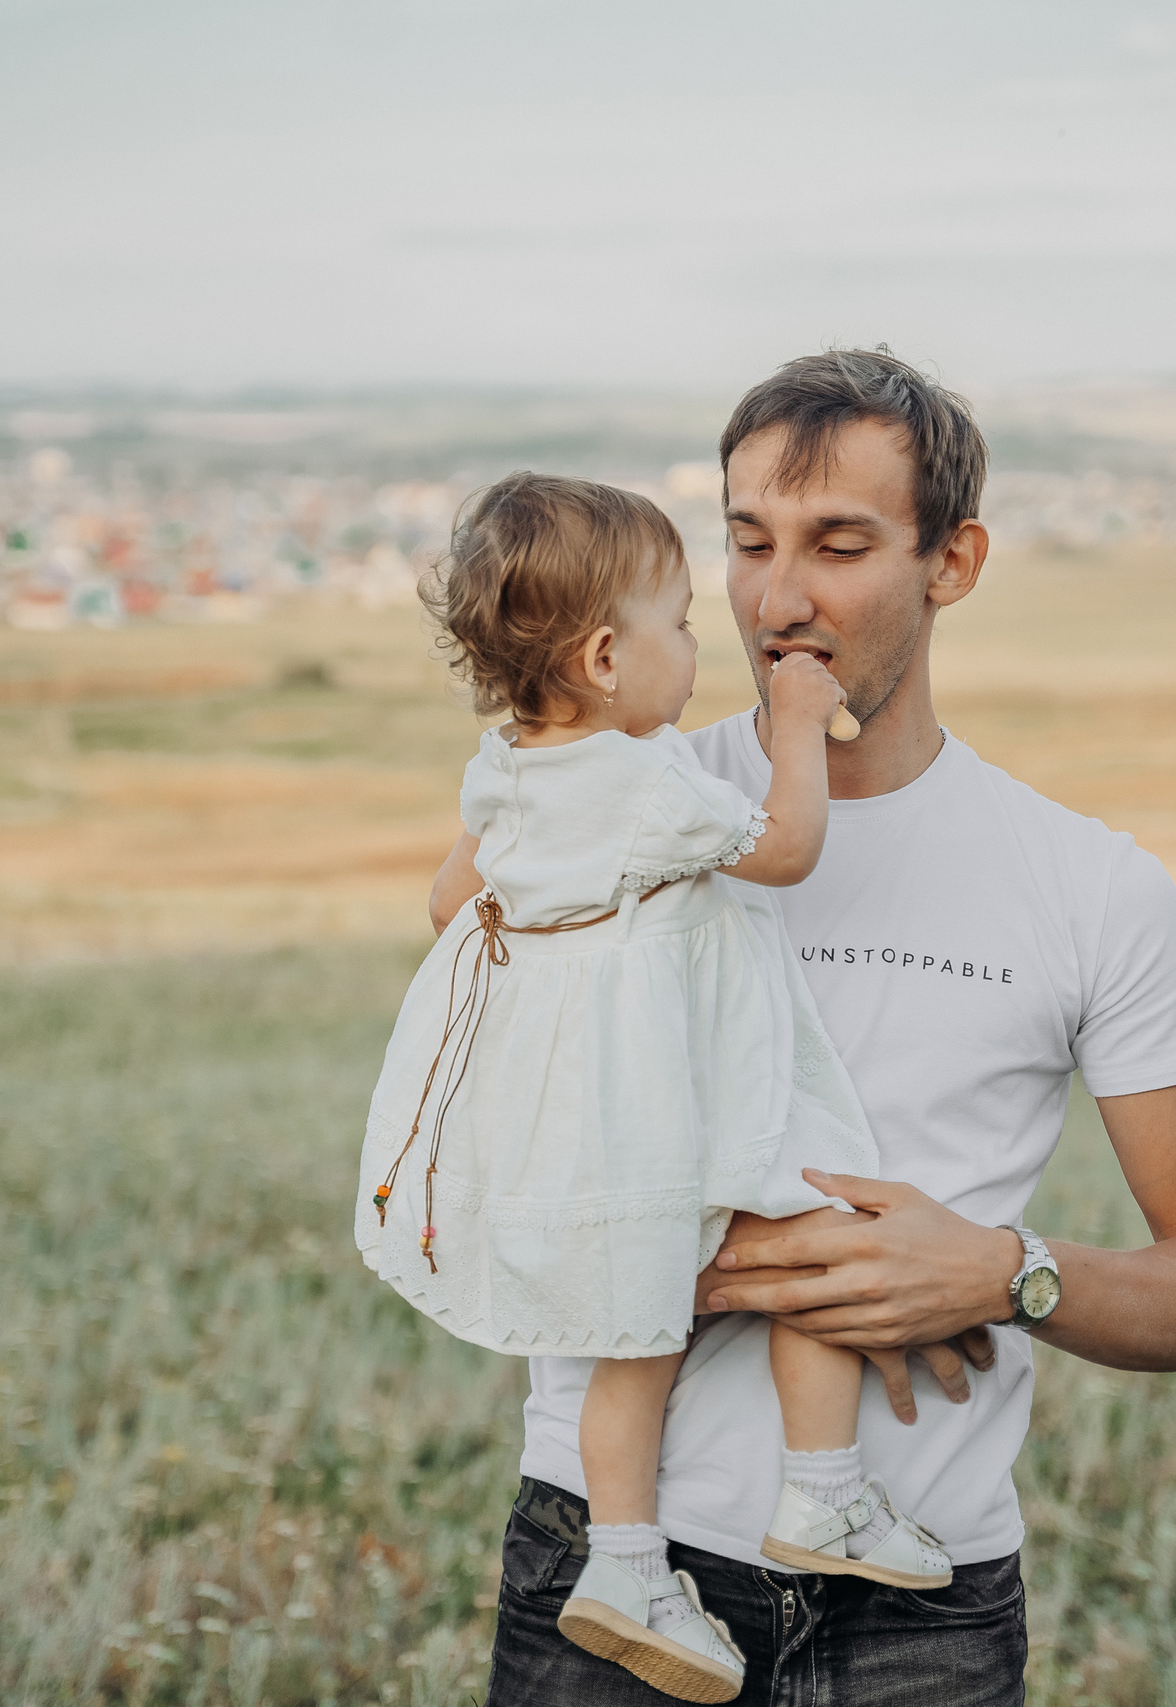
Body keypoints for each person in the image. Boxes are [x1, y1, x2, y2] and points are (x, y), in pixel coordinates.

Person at [473, 350, 1176, 1707]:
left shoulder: (1092, 885)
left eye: (840, 544)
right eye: (747, 542)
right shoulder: (610, 803)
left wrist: (1003, 1271)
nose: (779, 598)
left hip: (925, 1615)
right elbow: (462, 1171)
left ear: (952, 561)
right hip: (611, 1580)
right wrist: (725, 1258)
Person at [357, 471, 956, 1703]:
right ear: (603, 656)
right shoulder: (645, 776)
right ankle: (824, 1495)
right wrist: (792, 718)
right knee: (821, 1238)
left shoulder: (511, 769)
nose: (699, 646)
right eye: (678, 623)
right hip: (676, 1112)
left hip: (591, 1130)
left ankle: (624, 1562)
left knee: (634, 1340)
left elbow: (446, 907)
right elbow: (783, 849)